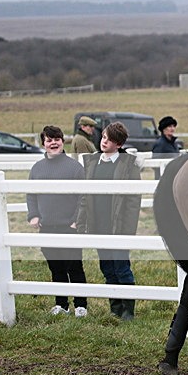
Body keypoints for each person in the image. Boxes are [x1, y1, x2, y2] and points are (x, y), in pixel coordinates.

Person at [77, 122, 142, 321]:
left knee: (122, 267)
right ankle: (114, 308)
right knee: (106, 267)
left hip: (119, 225)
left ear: (119, 144)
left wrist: (128, 230)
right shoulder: (91, 162)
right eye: (104, 137)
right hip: (98, 224)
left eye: (110, 140)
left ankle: (128, 310)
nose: (104, 142)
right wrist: (82, 223)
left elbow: (133, 202)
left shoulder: (128, 165)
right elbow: (84, 197)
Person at [27, 125, 89, 317]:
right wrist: (34, 215)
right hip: (47, 226)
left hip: (69, 226)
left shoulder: (75, 167)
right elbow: (31, 195)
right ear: (44, 143)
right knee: (56, 267)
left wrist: (75, 221)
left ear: (63, 141)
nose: (53, 143)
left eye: (57, 139)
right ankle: (62, 304)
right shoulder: (37, 169)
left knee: (74, 266)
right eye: (49, 140)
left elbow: (83, 197)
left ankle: (81, 305)